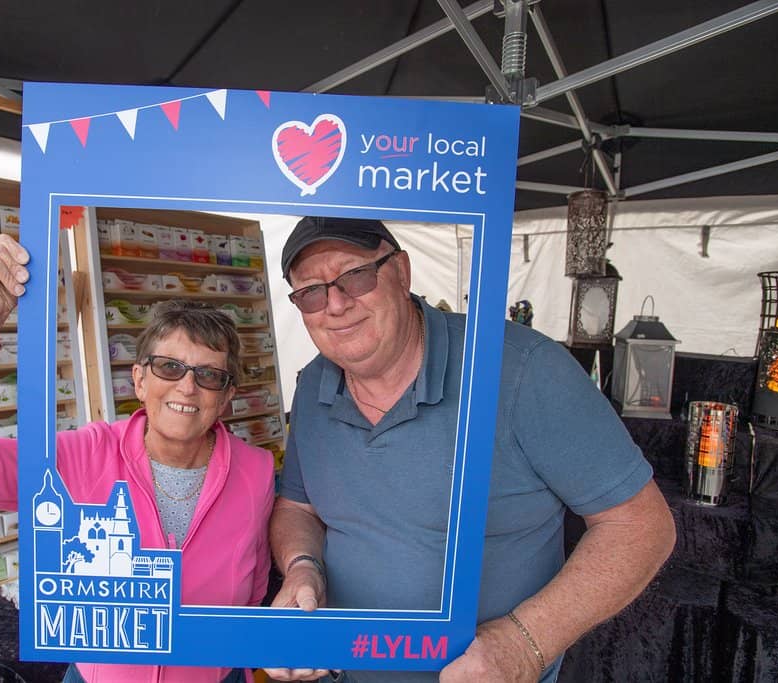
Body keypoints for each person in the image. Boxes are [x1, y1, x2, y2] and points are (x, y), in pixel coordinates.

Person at [266, 217, 676, 683]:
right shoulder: (313, 384)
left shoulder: (522, 371)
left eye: (355, 276)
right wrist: (303, 569)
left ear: (401, 271)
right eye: (311, 292)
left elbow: (640, 526)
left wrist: (523, 644)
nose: (335, 304)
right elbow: (297, 505)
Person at [0, 234, 274, 683]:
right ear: (139, 379)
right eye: (168, 368)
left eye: (209, 375)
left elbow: (252, 591)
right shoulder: (82, 454)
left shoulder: (257, 470)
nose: (187, 387)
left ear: (228, 395)